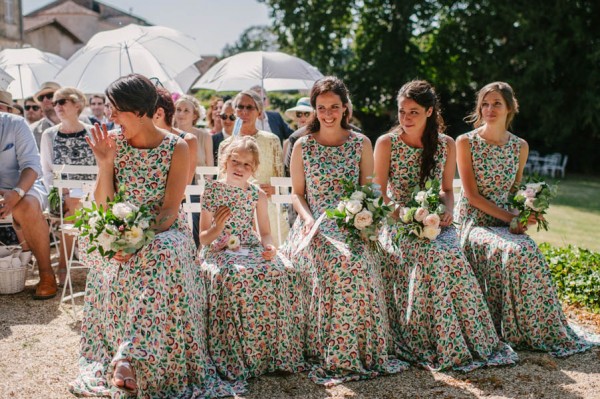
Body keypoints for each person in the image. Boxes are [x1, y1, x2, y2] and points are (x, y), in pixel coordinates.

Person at [70, 74, 236, 397]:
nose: (111, 118)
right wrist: (105, 164)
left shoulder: (177, 147)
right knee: (113, 252)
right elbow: (105, 206)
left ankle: (129, 356)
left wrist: (135, 242)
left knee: (160, 250)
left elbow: (169, 211)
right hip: (121, 229)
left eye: (117, 110)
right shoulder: (114, 144)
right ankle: (125, 358)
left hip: (165, 231)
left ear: (140, 110)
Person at [373, 80, 517, 371]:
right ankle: (428, 339)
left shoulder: (446, 144)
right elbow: (381, 197)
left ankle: (468, 337)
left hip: (436, 220)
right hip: (398, 222)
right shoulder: (387, 143)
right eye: (402, 112)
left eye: (413, 112)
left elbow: (448, 191)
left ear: (429, 112)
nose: (406, 118)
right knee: (431, 255)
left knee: (450, 253)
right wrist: (406, 215)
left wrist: (448, 211)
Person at [280, 76, 408, 386]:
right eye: (321, 107)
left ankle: (363, 347)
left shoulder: (361, 143)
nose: (327, 113)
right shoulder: (302, 145)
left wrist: (367, 219)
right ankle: (328, 348)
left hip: (354, 221)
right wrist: (309, 220)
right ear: (314, 109)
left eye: (334, 107)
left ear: (344, 108)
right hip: (316, 223)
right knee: (335, 262)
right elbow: (297, 194)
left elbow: (369, 188)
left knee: (359, 261)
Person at [455, 81, 597, 357]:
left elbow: (513, 191)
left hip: (506, 221)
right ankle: (507, 328)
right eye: (484, 103)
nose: (489, 109)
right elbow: (471, 196)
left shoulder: (520, 146)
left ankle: (537, 329)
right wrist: (511, 218)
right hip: (475, 223)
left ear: (510, 107)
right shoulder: (466, 142)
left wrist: (528, 213)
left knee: (528, 249)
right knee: (513, 250)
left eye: (496, 103)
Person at [199, 135, 305, 380]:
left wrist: (270, 248)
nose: (240, 168)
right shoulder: (213, 189)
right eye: (236, 161)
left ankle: (273, 352)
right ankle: (240, 353)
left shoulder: (256, 193)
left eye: (247, 165)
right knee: (235, 276)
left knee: (280, 270)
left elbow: (265, 232)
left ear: (254, 168)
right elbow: (204, 238)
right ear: (225, 162)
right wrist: (217, 228)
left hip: (249, 245)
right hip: (220, 248)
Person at [217, 90, 288, 247]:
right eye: (240, 107)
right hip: (234, 206)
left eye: (250, 107)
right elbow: (220, 181)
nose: (244, 112)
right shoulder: (226, 144)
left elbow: (281, 180)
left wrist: (274, 189)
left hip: (266, 205)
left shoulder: (272, 140)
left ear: (259, 112)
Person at [40, 87, 95, 286]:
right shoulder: (49, 135)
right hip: (59, 196)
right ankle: (76, 263)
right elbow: (46, 172)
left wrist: (85, 190)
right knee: (72, 199)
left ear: (77, 104)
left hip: (91, 194)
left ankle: (65, 265)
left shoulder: (92, 133)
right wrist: (59, 190)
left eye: (62, 101)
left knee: (77, 199)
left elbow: (101, 169)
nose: (57, 106)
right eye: (54, 103)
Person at [0, 112, 57, 299]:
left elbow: (32, 166)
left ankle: (46, 273)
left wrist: (16, 193)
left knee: (25, 206)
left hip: (24, 186)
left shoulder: (16, 123)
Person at [174, 95, 214, 167]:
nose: (181, 114)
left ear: (194, 116)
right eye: (178, 109)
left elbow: (210, 165)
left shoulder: (205, 136)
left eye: (186, 110)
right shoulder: (167, 134)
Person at [30, 81, 61, 148]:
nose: (45, 100)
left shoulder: (81, 122)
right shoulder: (32, 130)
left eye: (50, 96)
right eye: (41, 97)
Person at [211, 99, 235, 165]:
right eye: (224, 116)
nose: (227, 121)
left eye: (232, 117)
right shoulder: (212, 140)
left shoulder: (244, 139)